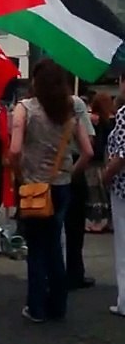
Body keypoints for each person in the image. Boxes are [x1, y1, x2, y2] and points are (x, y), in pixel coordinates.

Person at [9, 59, 93, 323]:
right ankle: (58, 306)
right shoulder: (70, 111)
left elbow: (14, 150)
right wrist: (70, 173)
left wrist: (21, 176)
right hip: (61, 185)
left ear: (36, 82)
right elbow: (88, 152)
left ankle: (36, 307)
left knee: (36, 247)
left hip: (33, 186)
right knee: (55, 244)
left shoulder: (25, 108)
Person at [64, 94, 96, 289]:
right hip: (73, 164)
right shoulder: (74, 103)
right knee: (74, 226)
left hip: (44, 168)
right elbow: (89, 142)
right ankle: (74, 273)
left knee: (47, 228)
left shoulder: (31, 105)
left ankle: (49, 273)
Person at [103, 105, 125, 316]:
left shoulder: (123, 114)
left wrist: (106, 175)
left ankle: (124, 301)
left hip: (122, 188)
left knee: (123, 245)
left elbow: (121, 155)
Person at [85, 93, 115, 232]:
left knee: (94, 192)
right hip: (108, 161)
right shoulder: (113, 121)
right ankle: (109, 220)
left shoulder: (94, 121)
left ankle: (96, 220)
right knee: (105, 192)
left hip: (94, 162)